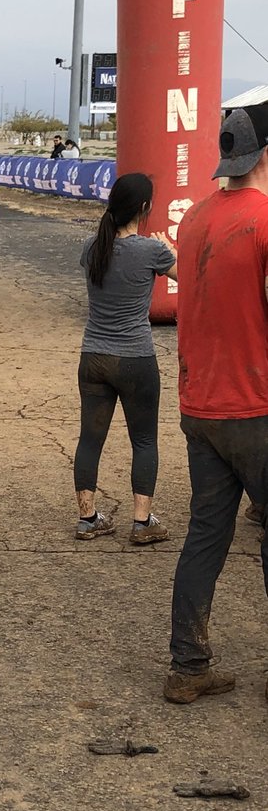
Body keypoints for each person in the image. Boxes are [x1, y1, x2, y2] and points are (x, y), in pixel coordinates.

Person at [164, 103, 268, 705]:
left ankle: (188, 664)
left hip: (199, 405)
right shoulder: (264, 220)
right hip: (255, 404)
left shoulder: (195, 219)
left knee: (206, 535)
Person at [72, 173, 177, 543]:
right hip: (135, 357)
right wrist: (171, 249)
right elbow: (185, 274)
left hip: (93, 356)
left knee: (90, 438)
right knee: (144, 441)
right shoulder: (151, 250)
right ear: (144, 208)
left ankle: (88, 518)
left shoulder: (92, 247)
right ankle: (142, 522)